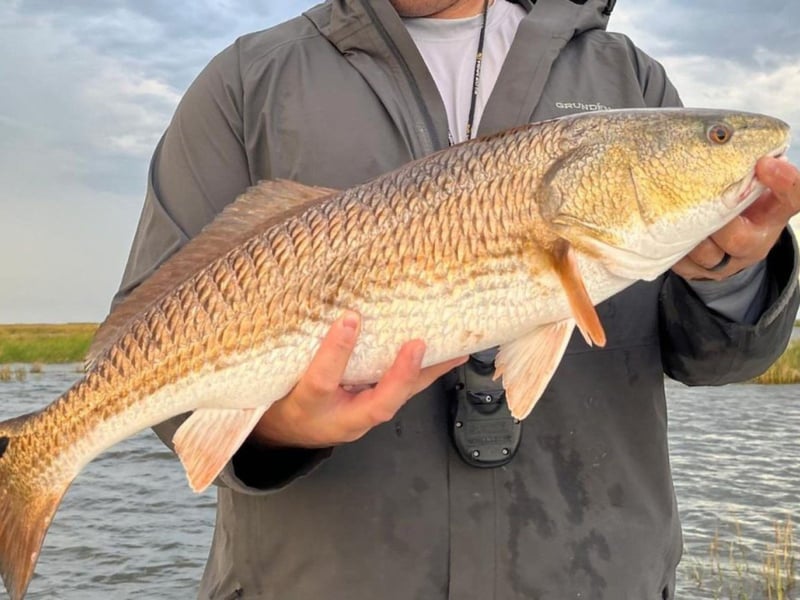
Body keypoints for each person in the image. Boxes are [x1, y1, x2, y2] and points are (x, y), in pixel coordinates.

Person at [114, 0, 800, 598]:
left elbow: (712, 360)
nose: (735, 146)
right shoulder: (246, 83)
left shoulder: (628, 80)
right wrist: (277, 430)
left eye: (717, 139)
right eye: (716, 138)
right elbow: (151, 346)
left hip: (596, 575)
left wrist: (729, 274)